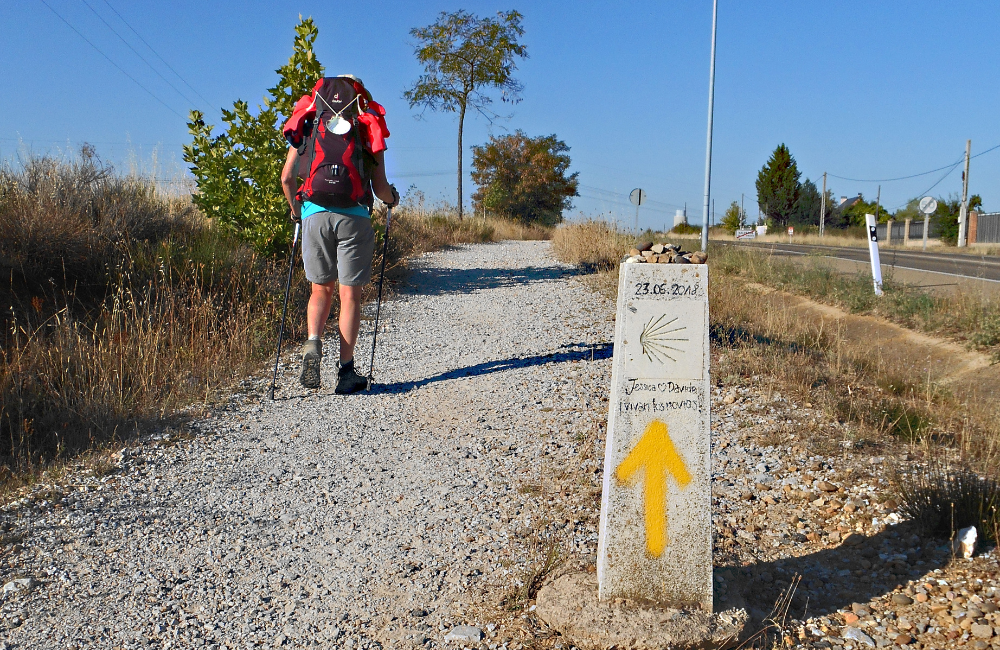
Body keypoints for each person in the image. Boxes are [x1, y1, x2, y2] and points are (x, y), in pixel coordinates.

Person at [280, 75, 398, 395]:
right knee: (350, 296)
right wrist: (392, 200)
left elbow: (287, 178)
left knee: (321, 290)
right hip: (354, 216)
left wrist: (297, 211)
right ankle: (346, 374)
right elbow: (380, 186)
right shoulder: (365, 123)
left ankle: (313, 346)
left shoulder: (310, 122)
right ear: (359, 95)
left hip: (314, 214)